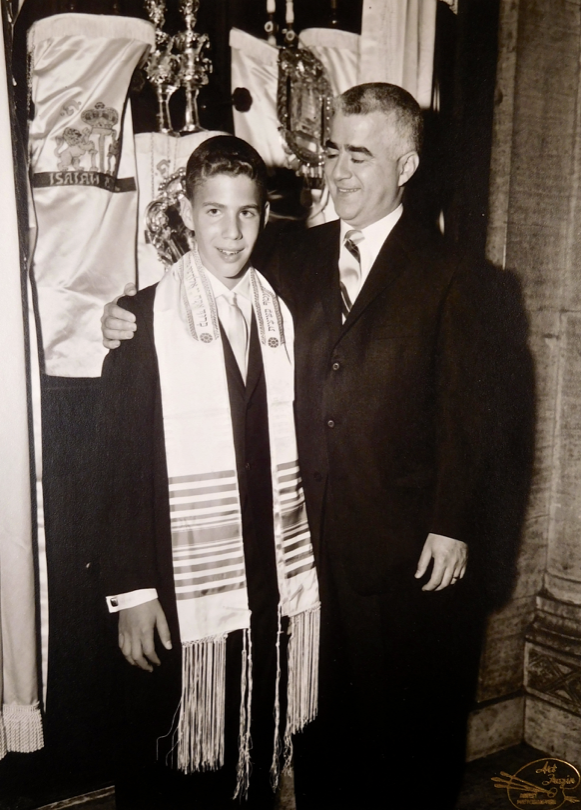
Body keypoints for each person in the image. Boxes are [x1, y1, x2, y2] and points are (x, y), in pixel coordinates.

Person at [102, 84, 532, 809]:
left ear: (407, 164)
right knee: (321, 731)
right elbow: (206, 281)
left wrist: (454, 522)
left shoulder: (462, 277)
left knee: (406, 738)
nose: (339, 171)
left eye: (360, 155)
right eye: (333, 150)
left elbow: (479, 417)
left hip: (404, 553)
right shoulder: (291, 255)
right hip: (306, 557)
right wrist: (126, 316)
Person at [98, 135, 320, 810]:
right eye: (215, 212)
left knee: (252, 744)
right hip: (175, 573)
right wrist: (131, 592)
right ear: (187, 214)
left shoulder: (284, 312)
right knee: (172, 752)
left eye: (247, 213)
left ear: (264, 216)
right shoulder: (141, 320)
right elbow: (116, 470)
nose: (232, 232)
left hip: (263, 566)